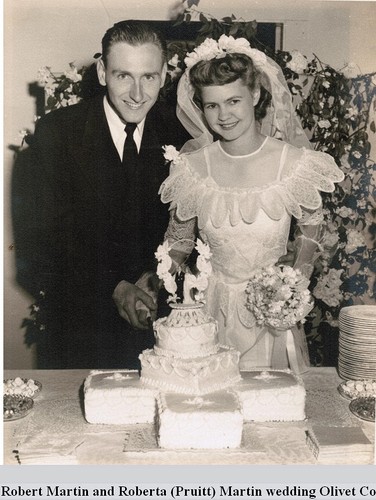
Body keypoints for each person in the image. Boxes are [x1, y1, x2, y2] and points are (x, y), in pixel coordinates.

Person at [156, 35, 344, 372]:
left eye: (233, 101)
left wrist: (295, 278)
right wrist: (163, 275)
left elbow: (311, 231)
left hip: (272, 315)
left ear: (255, 95)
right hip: (209, 312)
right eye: (212, 105)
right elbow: (180, 241)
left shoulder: (296, 162)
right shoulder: (192, 167)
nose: (223, 115)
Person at [13, 20, 189, 369]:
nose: (138, 94)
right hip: (80, 334)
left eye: (149, 77)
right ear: (102, 72)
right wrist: (114, 286)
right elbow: (37, 248)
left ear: (165, 74)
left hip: (166, 336)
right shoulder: (56, 134)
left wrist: (158, 279)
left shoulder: (182, 134)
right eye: (124, 75)